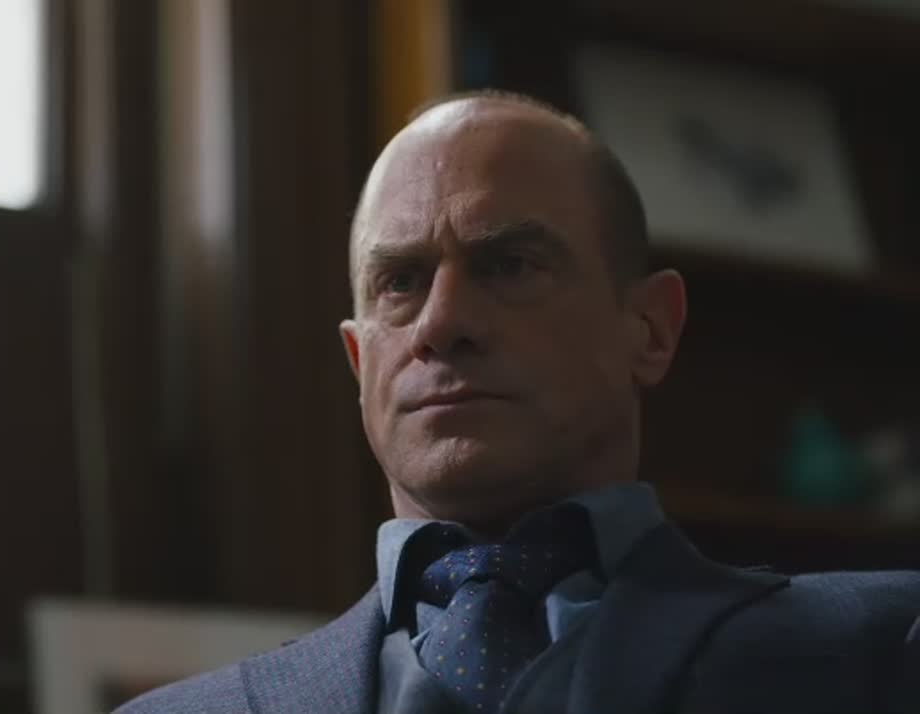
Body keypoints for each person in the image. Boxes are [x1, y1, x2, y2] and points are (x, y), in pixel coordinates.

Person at [116, 91, 920, 713]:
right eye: (400, 281)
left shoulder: (884, 651)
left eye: (509, 265)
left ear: (650, 328)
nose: (441, 323)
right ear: (360, 362)